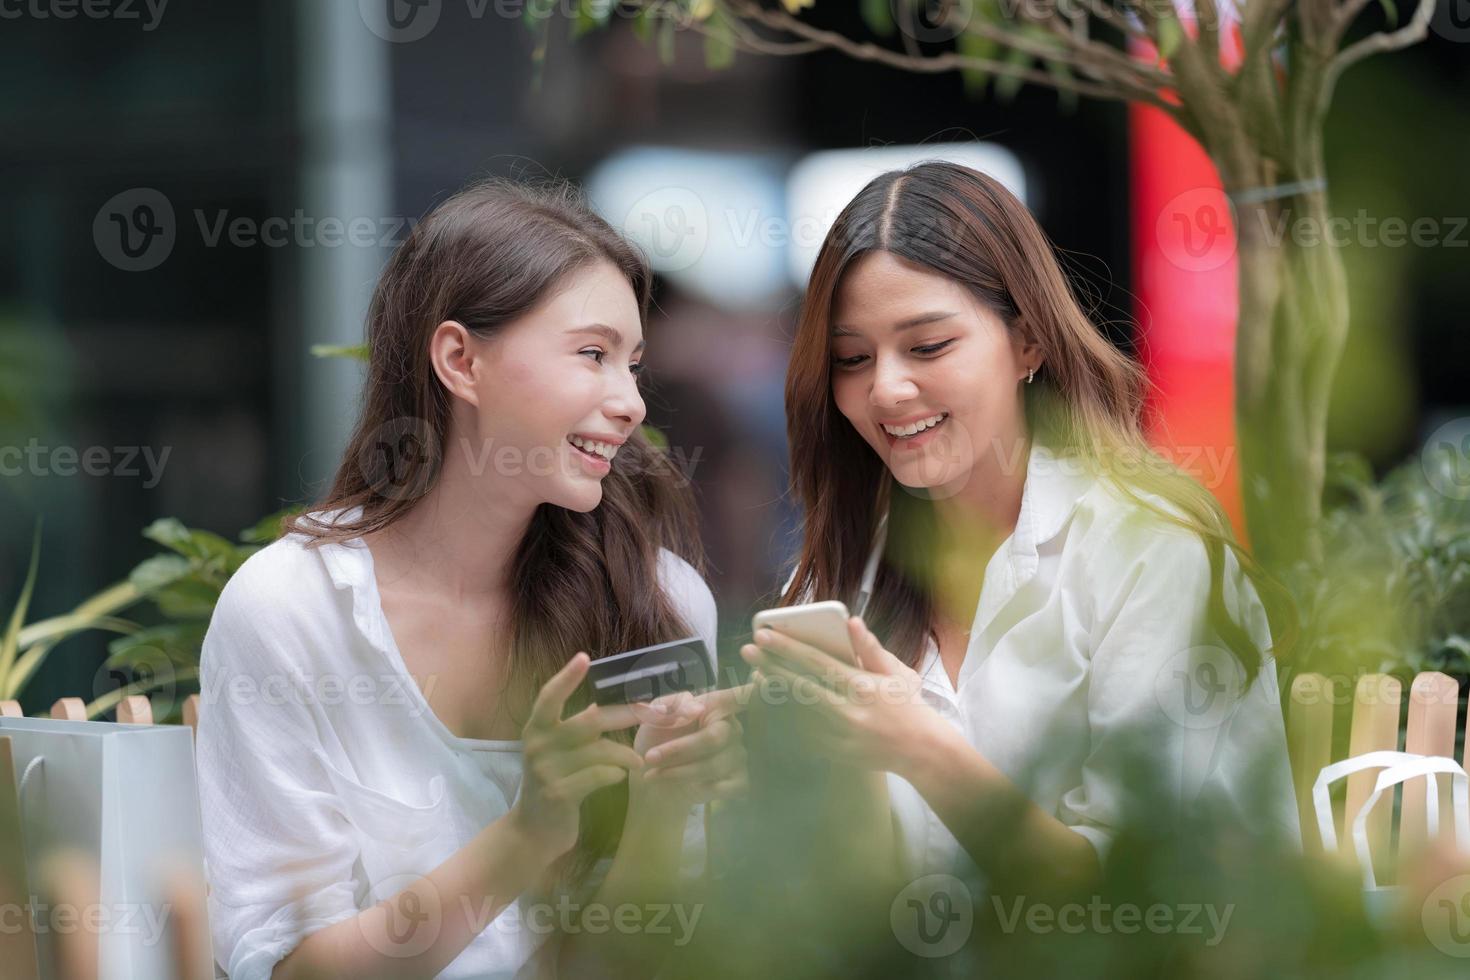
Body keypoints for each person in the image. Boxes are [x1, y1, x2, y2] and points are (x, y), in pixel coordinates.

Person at [197, 179, 747, 980]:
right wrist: (527, 836)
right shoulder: (290, 610)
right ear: (460, 360)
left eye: (632, 364)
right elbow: (287, 969)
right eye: (592, 354)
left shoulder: (657, 600)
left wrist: (663, 804)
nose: (629, 401)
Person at [742, 161, 1299, 905]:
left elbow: (1141, 901)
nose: (885, 389)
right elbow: (847, 902)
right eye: (852, 359)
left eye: (929, 346)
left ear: (1028, 341)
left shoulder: (1149, 550)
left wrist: (919, 746)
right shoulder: (842, 575)